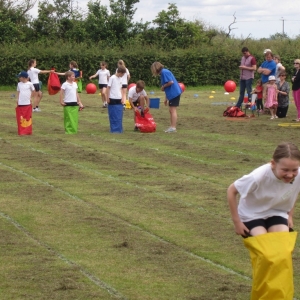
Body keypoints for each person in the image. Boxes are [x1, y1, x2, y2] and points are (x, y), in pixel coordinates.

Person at [227, 142, 300, 299]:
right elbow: (231, 190)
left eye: (294, 170)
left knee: (283, 252)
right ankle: (262, 295)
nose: (290, 174)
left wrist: (290, 215)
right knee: (267, 255)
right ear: (273, 164)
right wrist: (237, 222)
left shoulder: (298, 175)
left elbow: (294, 192)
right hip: (252, 214)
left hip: (277, 212)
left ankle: (282, 296)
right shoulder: (258, 176)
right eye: (285, 170)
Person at [150, 61, 182, 133]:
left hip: (174, 93)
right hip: (171, 94)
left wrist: (163, 87)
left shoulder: (164, 72)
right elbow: (167, 88)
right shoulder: (163, 73)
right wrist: (166, 98)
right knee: (171, 110)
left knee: (172, 110)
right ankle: (172, 127)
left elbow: (170, 82)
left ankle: (173, 128)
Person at [107, 66, 127, 133]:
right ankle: (113, 129)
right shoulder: (112, 78)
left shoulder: (120, 79)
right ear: (120, 72)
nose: (123, 75)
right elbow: (108, 88)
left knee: (119, 115)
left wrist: (122, 98)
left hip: (119, 98)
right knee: (113, 114)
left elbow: (121, 88)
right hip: (112, 98)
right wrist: (108, 98)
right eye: (122, 74)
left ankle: (119, 128)